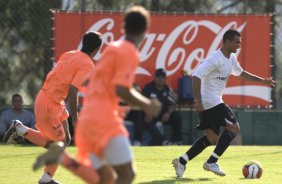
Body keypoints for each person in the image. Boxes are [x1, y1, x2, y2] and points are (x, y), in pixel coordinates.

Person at [32, 6, 161, 184]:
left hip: (88, 121)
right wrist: (147, 105)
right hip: (104, 121)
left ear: (123, 27)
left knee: (105, 179)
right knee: (127, 174)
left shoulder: (113, 49)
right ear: (145, 31)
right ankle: (62, 158)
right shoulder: (129, 52)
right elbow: (121, 89)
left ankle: (63, 158)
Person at [172, 29, 277, 178]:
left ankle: (182, 161)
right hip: (211, 101)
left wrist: (262, 81)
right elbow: (196, 76)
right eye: (237, 42)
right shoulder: (215, 59)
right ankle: (212, 162)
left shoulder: (232, 58)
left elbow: (241, 73)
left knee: (211, 138)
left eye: (240, 42)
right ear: (227, 41)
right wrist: (199, 102)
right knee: (234, 128)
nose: (239, 45)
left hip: (211, 102)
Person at [3, 31, 102, 184]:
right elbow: (73, 90)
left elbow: (61, 78)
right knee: (58, 145)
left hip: (51, 99)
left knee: (66, 139)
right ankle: (45, 178)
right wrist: (76, 119)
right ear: (96, 50)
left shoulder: (69, 53)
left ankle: (21, 131)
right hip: (50, 103)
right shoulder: (88, 64)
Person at [142, 68, 183, 146]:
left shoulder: (167, 89)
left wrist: (168, 113)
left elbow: (173, 104)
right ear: (155, 77)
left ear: (165, 78)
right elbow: (142, 102)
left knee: (177, 116)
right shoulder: (148, 88)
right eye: (158, 77)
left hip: (163, 115)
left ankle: (177, 140)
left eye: (162, 77)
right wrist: (147, 113)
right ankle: (163, 141)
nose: (160, 79)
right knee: (147, 120)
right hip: (151, 114)